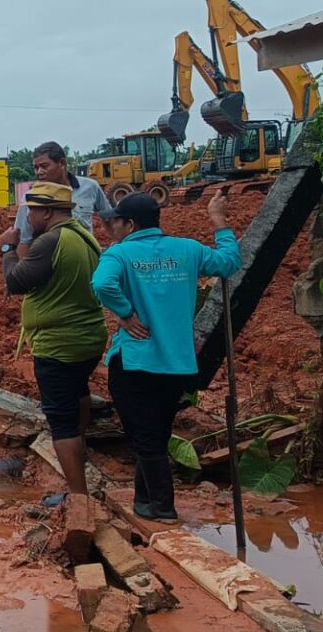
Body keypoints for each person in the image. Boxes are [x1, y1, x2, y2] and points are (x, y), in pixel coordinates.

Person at [92, 190, 241, 521]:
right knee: (156, 431)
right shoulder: (187, 249)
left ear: (129, 224)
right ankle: (144, 501)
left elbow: (101, 284)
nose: (110, 227)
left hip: (135, 362)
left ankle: (163, 507)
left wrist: (126, 314)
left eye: (114, 221)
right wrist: (219, 222)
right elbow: (229, 262)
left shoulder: (119, 254)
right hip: (176, 363)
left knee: (146, 437)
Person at [0, 182, 108, 496]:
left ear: (46, 212)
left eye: (31, 210)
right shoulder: (83, 236)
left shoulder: (50, 241)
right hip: (88, 337)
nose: (28, 217)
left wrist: (7, 249)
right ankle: (81, 450)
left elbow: (16, 281)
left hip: (59, 343)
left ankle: (77, 497)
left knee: (60, 420)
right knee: (78, 393)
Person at [15, 142, 111, 257]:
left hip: (85, 260)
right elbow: (23, 241)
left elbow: (109, 217)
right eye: (36, 168)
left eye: (44, 166)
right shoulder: (30, 199)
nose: (39, 172)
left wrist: (118, 245)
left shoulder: (90, 187)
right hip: (51, 265)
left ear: (62, 163)